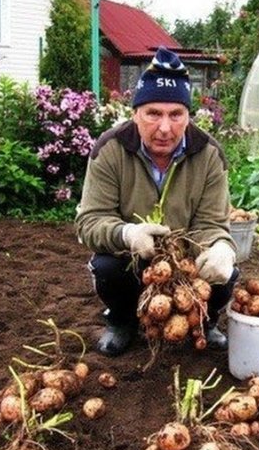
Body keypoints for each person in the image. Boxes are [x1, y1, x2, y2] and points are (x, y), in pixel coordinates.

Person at [75, 47, 238, 356]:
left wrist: (220, 247)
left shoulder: (208, 153)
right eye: (153, 113)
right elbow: (89, 221)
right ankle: (122, 320)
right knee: (107, 266)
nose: (165, 128)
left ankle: (206, 322)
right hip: (133, 257)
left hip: (186, 263)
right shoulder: (111, 148)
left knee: (225, 269)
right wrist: (127, 234)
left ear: (189, 115)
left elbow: (212, 223)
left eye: (176, 115)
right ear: (135, 114)